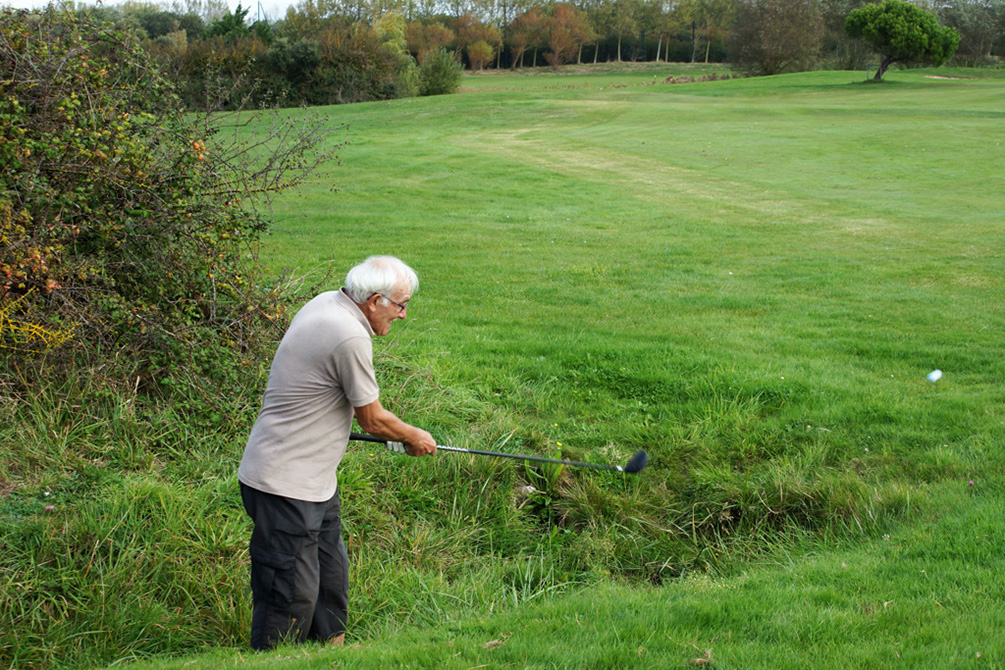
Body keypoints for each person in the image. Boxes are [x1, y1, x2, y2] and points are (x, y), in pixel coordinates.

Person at [237, 255, 437, 651]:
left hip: (315, 482)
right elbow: (373, 419)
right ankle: (277, 659)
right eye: (400, 305)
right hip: (284, 484)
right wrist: (415, 436)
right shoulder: (348, 334)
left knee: (330, 581)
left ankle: (334, 655)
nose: (403, 315)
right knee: (289, 595)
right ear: (375, 300)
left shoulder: (329, 301)